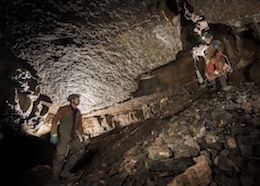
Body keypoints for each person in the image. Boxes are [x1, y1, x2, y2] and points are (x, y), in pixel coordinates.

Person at [48, 94, 85, 185]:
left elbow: (79, 124)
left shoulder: (78, 112)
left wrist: (82, 134)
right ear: (72, 100)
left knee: (80, 151)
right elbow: (55, 120)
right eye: (77, 99)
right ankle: (54, 178)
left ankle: (65, 172)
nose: (79, 101)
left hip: (73, 137)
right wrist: (53, 134)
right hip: (63, 137)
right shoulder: (64, 109)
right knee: (60, 157)